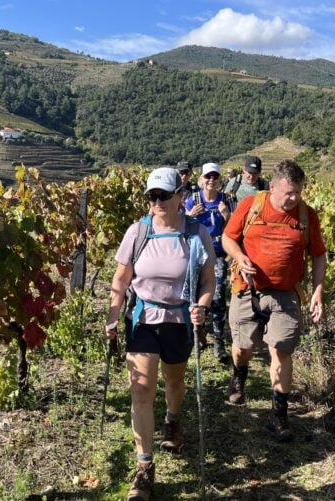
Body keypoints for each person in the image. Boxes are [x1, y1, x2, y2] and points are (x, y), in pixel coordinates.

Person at [105, 167, 216, 501]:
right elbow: (121, 281)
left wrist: (203, 304)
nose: (156, 202)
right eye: (152, 196)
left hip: (180, 320)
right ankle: (144, 468)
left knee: (175, 382)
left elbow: (209, 279)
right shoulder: (138, 232)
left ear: (180, 196)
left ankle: (172, 419)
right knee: (140, 390)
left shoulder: (197, 234)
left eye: (163, 196)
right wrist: (112, 317)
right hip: (143, 319)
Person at [221, 159, 327, 442]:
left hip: (286, 295)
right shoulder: (251, 206)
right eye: (289, 193)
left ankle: (279, 416)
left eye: (298, 192)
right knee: (242, 346)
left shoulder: (307, 216)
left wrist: (317, 290)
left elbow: (318, 254)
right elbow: (227, 238)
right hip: (248, 289)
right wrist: (240, 257)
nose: (294, 198)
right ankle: (239, 376)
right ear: (274, 187)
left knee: (281, 351)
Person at [185, 162, 232, 363]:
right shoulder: (192, 200)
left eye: (215, 177)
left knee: (218, 297)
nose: (211, 180)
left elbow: (234, 230)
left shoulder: (227, 201)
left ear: (220, 180)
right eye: (208, 177)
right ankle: (199, 336)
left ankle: (219, 343)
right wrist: (189, 215)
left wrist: (226, 216)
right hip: (196, 254)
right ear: (201, 179)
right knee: (195, 294)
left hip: (218, 253)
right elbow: (181, 225)